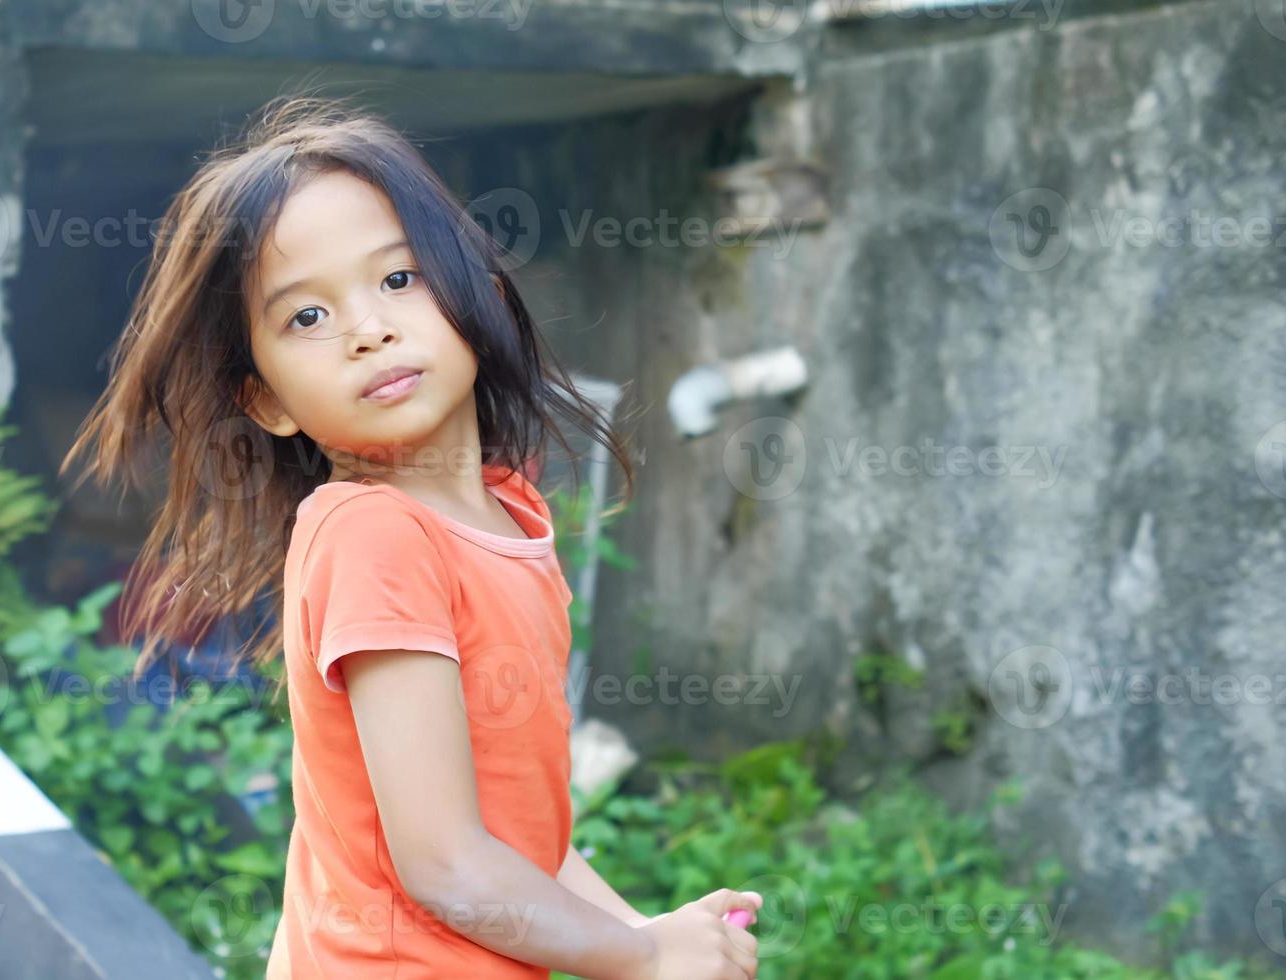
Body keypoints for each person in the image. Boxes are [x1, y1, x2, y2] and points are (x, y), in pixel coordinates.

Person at [61, 92, 761, 979]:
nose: (368, 329)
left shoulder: (505, 517)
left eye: (398, 278)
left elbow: (517, 844)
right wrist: (636, 958)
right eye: (305, 318)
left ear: (483, 297)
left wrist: (651, 935)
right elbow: (445, 866)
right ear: (267, 400)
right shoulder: (374, 535)